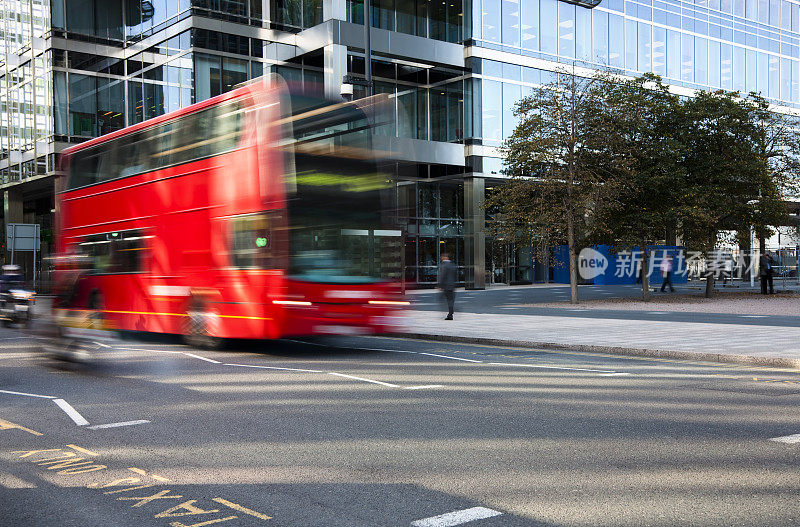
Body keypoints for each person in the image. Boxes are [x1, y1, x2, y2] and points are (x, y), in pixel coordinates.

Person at [438, 253, 457, 320]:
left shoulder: (443, 265)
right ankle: (450, 312)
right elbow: (455, 275)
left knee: (444, 299)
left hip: (446, 285)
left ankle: (450, 312)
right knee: (450, 299)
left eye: (442, 257)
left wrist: (440, 285)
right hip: (452, 285)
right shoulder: (453, 264)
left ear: (445, 257)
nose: (441, 258)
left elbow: (442, 275)